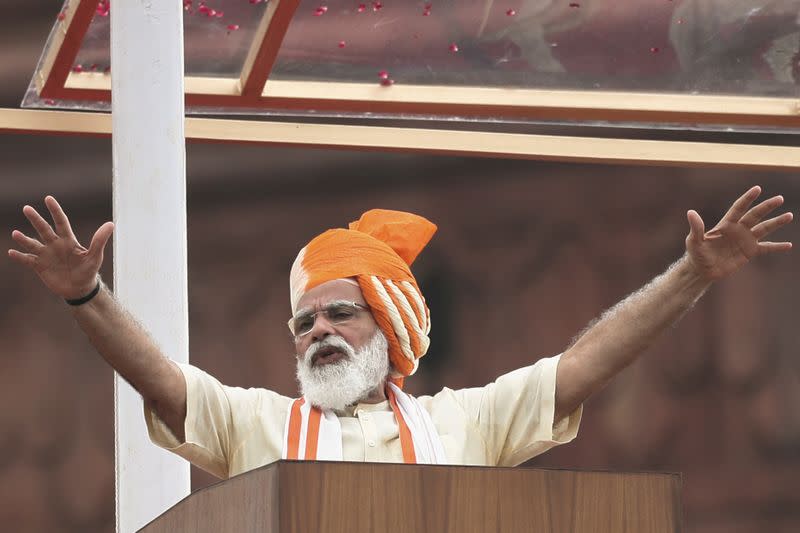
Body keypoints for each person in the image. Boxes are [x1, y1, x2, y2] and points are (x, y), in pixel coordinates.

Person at [7, 186, 793, 479]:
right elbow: (162, 380)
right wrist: (88, 296)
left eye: (339, 312)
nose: (317, 330)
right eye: (303, 319)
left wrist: (691, 275)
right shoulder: (260, 425)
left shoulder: (463, 423)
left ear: (387, 325)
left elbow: (583, 365)